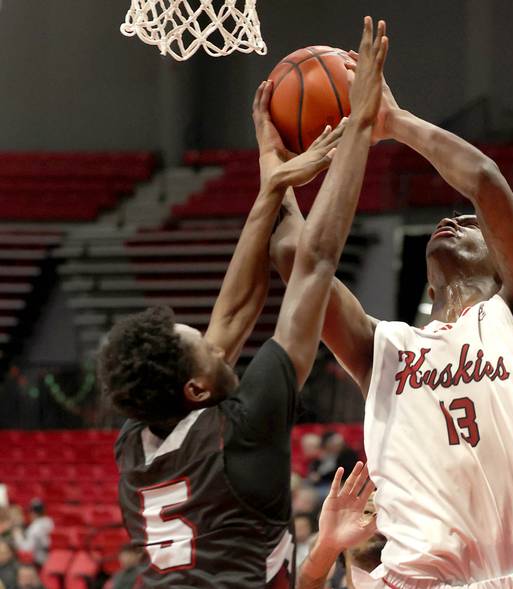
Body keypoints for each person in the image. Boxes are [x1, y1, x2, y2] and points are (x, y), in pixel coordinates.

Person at [267, 31, 513, 589]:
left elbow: (484, 182)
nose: (453, 221)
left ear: (505, 262)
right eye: (449, 221)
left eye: (473, 227)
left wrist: (392, 121)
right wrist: (278, 171)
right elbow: (293, 256)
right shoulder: (384, 347)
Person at [97, 16, 389, 588]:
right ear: (196, 389)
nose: (214, 338)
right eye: (202, 346)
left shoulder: (143, 438)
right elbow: (315, 262)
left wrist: (273, 182)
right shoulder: (242, 426)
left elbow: (232, 315)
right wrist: (355, 127)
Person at [11, 499, 53, 567]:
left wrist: (17, 535)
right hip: (50, 555)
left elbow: (26, 549)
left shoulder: (34, 529)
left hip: (40, 559)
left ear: (32, 513)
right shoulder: (49, 521)